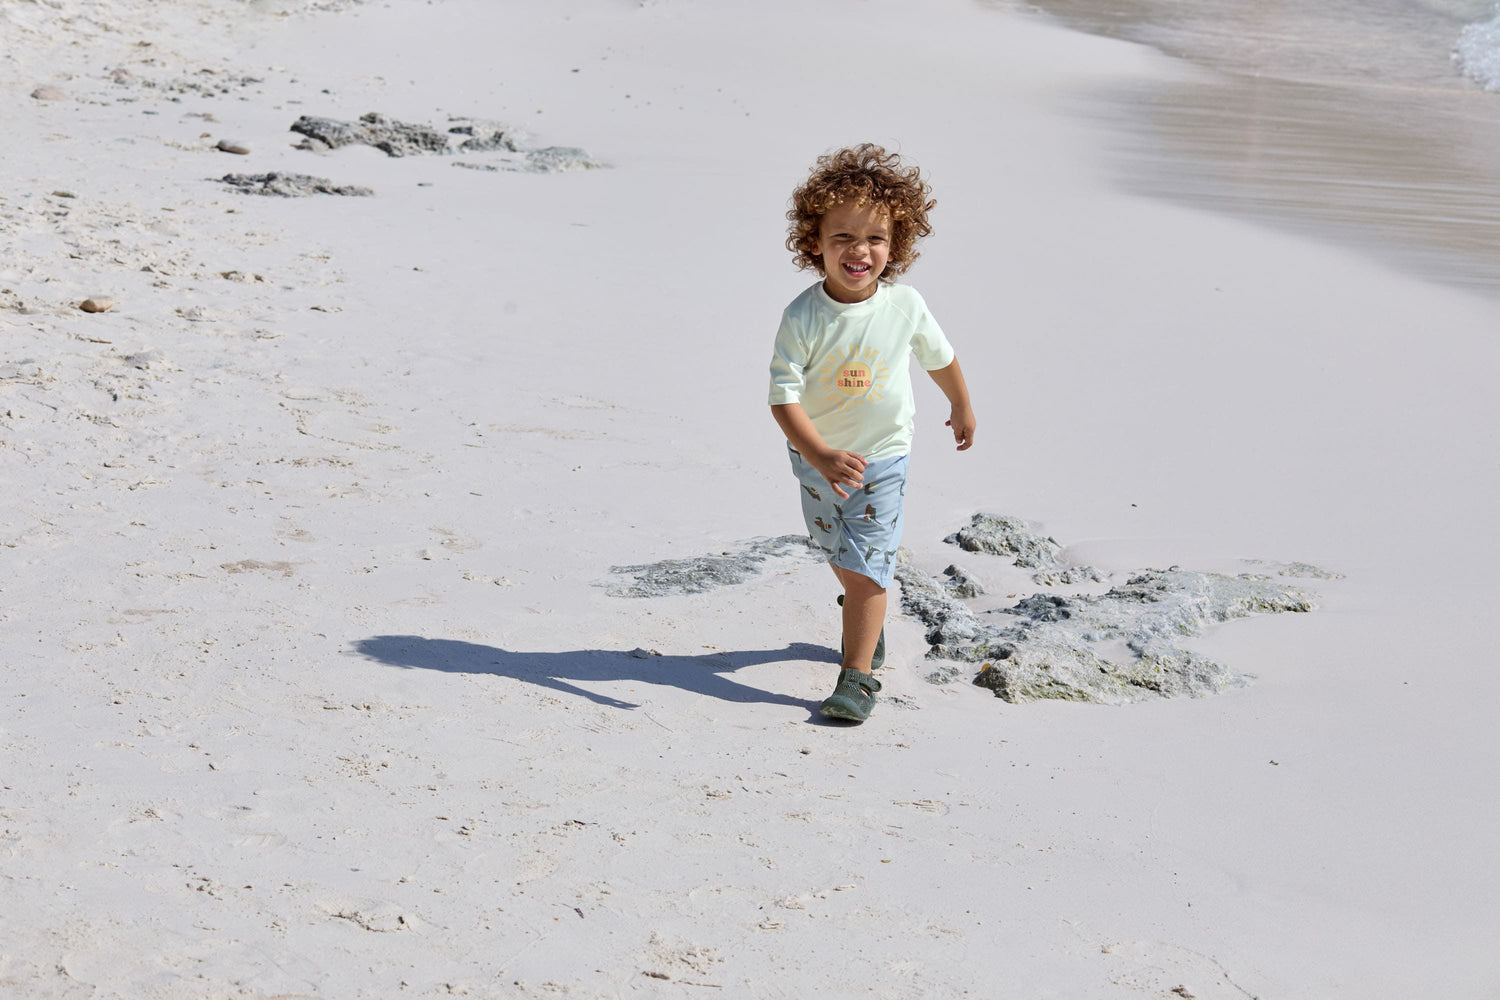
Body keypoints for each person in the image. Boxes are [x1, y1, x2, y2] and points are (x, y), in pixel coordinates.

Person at [768, 143, 976, 723]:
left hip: (884, 456)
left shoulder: (905, 306)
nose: (860, 251)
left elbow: (940, 357)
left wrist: (960, 403)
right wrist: (820, 454)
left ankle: (856, 677)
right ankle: (867, 615)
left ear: (896, 244)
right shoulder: (803, 316)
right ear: (815, 242)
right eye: (843, 238)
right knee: (832, 545)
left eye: (876, 238)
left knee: (865, 569)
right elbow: (782, 397)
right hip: (816, 457)